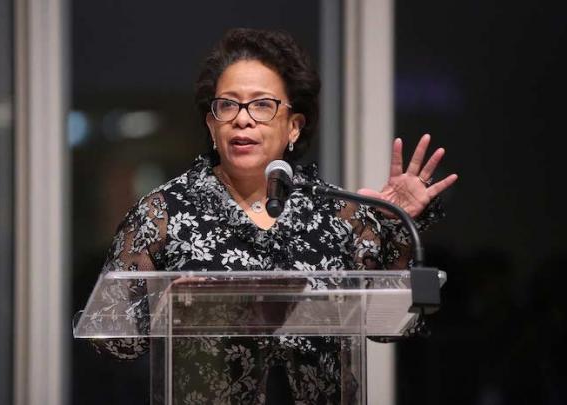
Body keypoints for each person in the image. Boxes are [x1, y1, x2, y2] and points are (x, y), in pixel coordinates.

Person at [96, 28, 458, 404]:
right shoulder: (163, 211)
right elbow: (110, 340)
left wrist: (399, 226)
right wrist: (166, 305)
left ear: (294, 126)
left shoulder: (337, 211)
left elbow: (391, 329)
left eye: (262, 105)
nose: (243, 119)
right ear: (211, 124)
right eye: (228, 105)